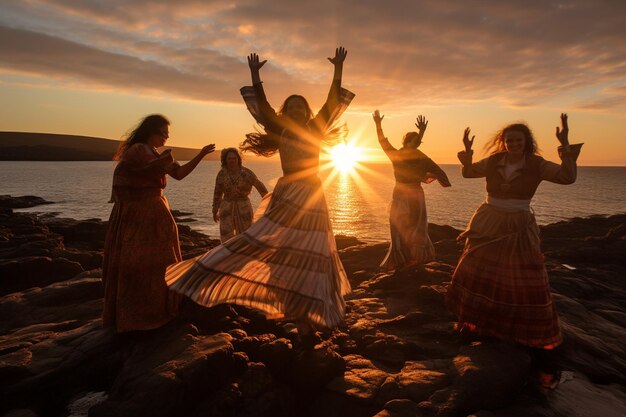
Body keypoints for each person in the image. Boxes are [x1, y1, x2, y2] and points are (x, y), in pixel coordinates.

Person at [165, 47, 354, 344]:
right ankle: (210, 271)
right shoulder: (279, 128)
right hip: (288, 193)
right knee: (275, 250)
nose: (296, 111)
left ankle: (308, 319)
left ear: (307, 112)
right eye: (291, 107)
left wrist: (338, 68)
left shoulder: (317, 127)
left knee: (314, 255)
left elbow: (331, 101)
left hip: (313, 196)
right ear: (285, 112)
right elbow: (263, 106)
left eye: (300, 107)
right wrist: (255, 75)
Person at [446, 113, 583, 352]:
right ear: (504, 142)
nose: (513, 144)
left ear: (526, 141)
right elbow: (468, 173)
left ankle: (516, 330)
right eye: (509, 140)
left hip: (519, 224)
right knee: (478, 271)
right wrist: (467, 151)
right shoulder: (494, 160)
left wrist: (565, 143)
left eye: (518, 140)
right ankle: (475, 323)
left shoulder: (536, 164)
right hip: (489, 219)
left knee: (521, 275)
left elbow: (567, 177)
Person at [102, 114, 215, 332]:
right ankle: (136, 315)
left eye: (167, 134)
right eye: (162, 133)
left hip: (155, 209)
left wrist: (200, 155)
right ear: (150, 131)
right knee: (137, 261)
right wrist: (162, 162)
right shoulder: (137, 151)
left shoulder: (155, 154)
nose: (165, 137)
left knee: (162, 259)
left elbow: (179, 174)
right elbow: (144, 169)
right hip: (139, 212)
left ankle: (158, 308)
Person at [373, 110, 451, 271]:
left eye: (417, 143)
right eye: (413, 141)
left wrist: (421, 132)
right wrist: (378, 124)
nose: (415, 144)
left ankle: (414, 259)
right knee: (399, 225)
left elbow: (437, 170)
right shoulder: (397, 154)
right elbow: (382, 141)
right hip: (402, 194)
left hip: (414, 195)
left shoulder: (420, 157)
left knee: (416, 226)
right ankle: (402, 258)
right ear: (406, 142)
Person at [212, 148, 268, 242]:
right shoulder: (221, 174)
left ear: (238, 159)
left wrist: (269, 203)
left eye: (234, 158)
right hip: (226, 207)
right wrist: (214, 210)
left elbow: (260, 187)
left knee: (247, 235)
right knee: (226, 236)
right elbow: (217, 193)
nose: (232, 160)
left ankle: (246, 254)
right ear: (225, 160)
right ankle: (228, 255)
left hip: (244, 207)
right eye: (229, 158)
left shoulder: (246, 173)